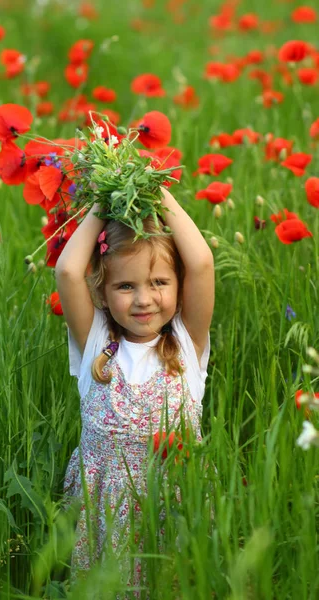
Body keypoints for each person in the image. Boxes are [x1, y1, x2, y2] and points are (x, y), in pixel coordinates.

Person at [55, 186, 215, 595]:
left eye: (159, 282)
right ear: (103, 295)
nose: (144, 299)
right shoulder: (96, 346)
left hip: (174, 506)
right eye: (125, 287)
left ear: (179, 288)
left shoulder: (185, 342)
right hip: (105, 519)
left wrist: (155, 192)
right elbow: (69, 271)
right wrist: (104, 199)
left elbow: (201, 262)